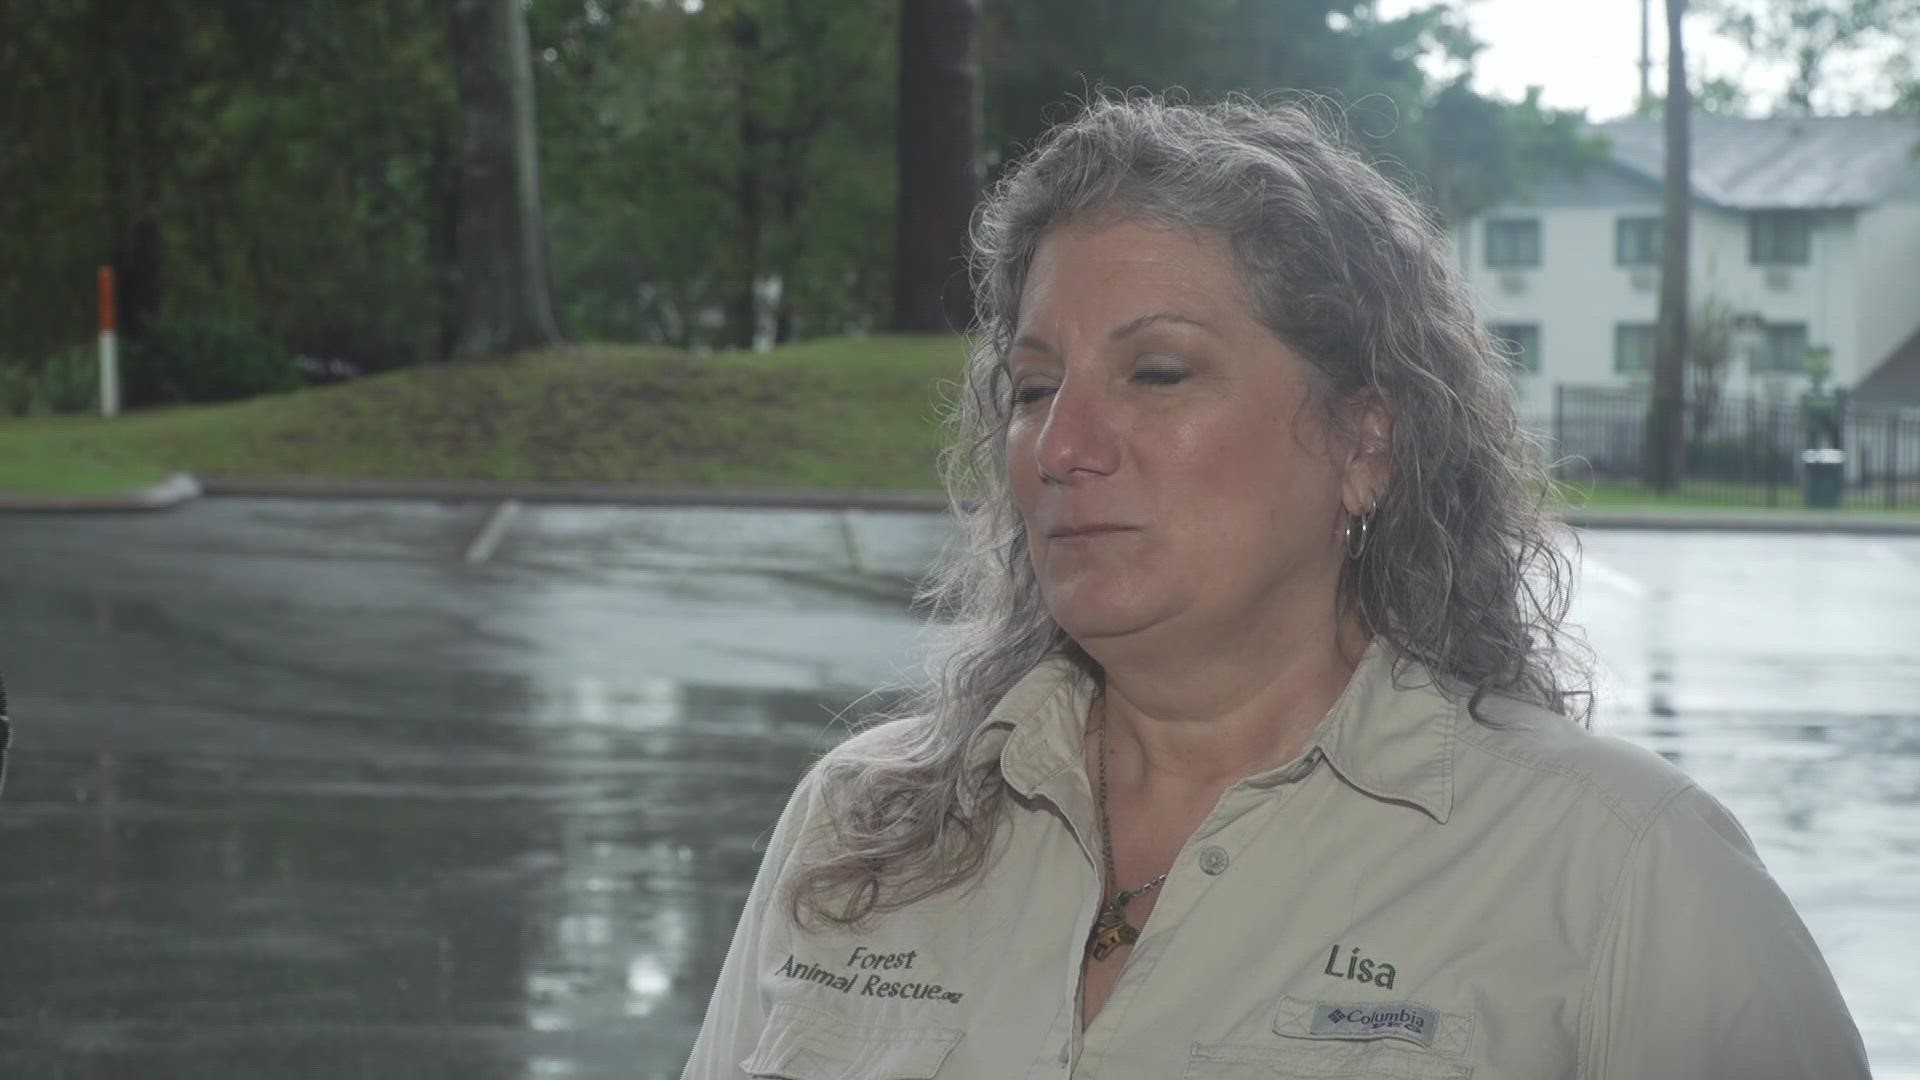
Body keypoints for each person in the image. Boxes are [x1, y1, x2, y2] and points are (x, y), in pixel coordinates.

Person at [681, 94, 1869, 1079]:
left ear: (1364, 446)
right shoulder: (860, 829)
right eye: (1035, 387)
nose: (1063, 445)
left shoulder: (1619, 873)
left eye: (1156, 371)